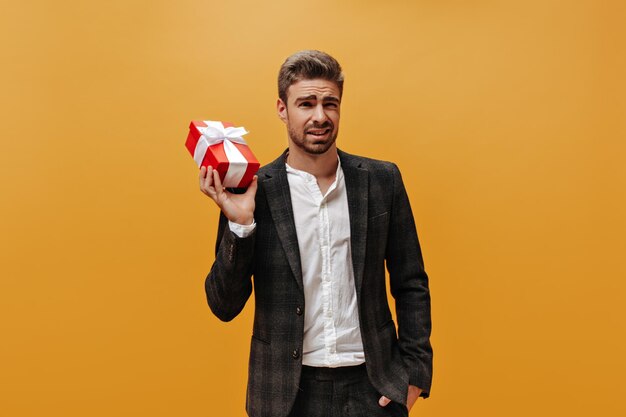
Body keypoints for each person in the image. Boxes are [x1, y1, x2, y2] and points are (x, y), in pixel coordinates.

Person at [199, 50, 432, 417]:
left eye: (330, 103)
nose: (320, 116)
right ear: (282, 109)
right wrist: (241, 226)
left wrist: (414, 372)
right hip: (285, 395)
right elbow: (223, 306)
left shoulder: (382, 181)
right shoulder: (254, 191)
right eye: (306, 103)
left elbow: (411, 281)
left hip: (372, 388)